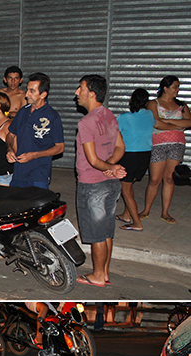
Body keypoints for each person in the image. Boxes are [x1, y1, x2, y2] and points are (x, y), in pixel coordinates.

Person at [74, 74, 126, 288]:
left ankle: (96, 275)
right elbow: (120, 147)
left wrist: (108, 167)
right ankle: (104, 272)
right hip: (109, 183)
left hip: (92, 184)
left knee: (96, 233)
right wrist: (110, 168)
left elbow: (93, 159)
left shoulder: (86, 122)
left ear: (92, 94)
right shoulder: (109, 115)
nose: (77, 93)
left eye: (81, 88)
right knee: (106, 230)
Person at [139, 75, 191, 224]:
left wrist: (167, 120)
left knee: (169, 178)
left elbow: (189, 121)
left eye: (178, 87)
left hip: (177, 144)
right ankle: (146, 210)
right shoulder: (153, 103)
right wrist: (178, 125)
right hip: (157, 144)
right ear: (165, 88)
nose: (177, 89)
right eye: (175, 86)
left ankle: (165, 212)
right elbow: (156, 123)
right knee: (155, 179)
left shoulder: (182, 105)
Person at [6, 72, 64, 189]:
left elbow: (60, 147)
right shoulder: (23, 112)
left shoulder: (52, 116)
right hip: (19, 173)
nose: (26, 94)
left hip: (39, 174)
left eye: (32, 91)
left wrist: (34, 155)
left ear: (43, 94)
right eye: (27, 90)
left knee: (37, 205)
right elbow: (10, 135)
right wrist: (10, 149)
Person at [115, 88, 155, 231]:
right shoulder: (150, 114)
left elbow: (114, 136)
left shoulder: (123, 118)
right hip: (145, 155)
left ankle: (137, 223)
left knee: (125, 190)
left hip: (129, 156)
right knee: (129, 185)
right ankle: (126, 214)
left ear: (131, 100)